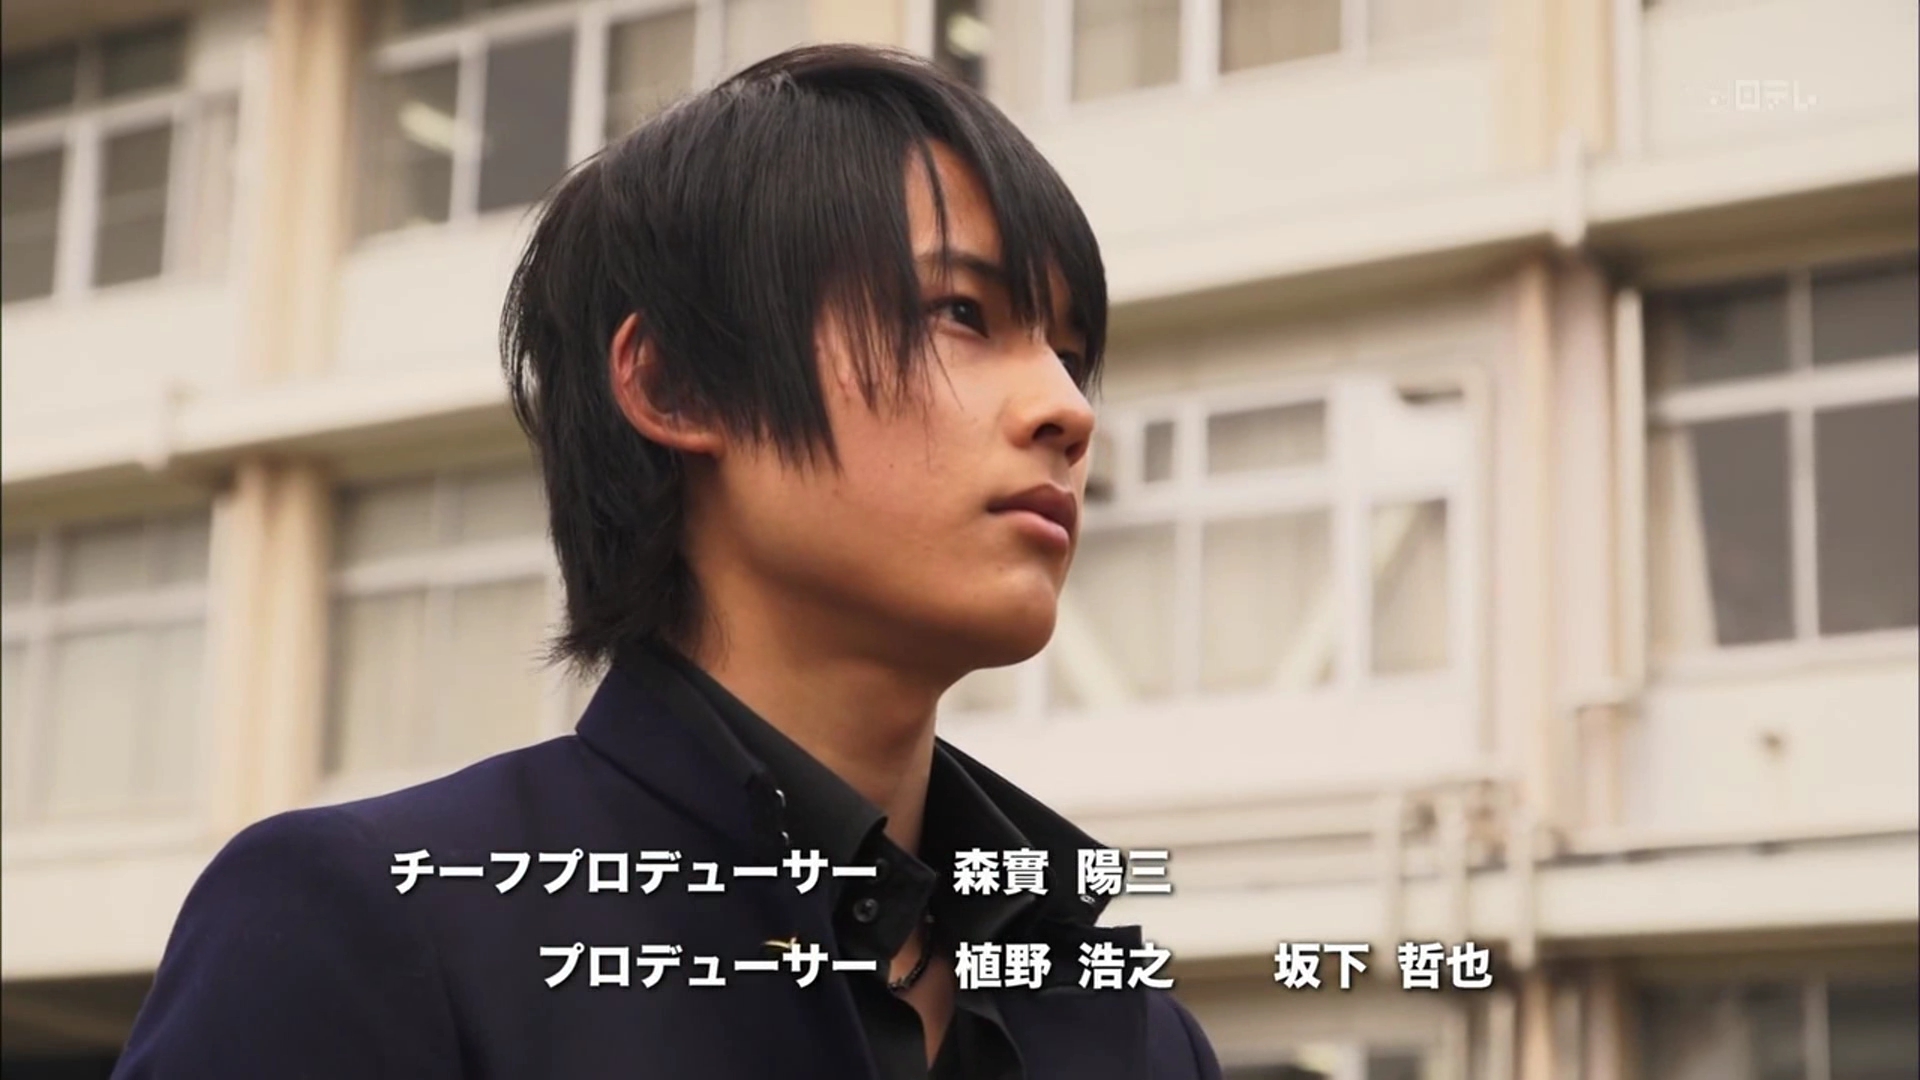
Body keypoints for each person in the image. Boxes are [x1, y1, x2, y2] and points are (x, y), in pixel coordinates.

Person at [114, 43, 1223, 1080]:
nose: (1066, 411)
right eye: (961, 313)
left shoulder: (1136, 1030)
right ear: (674, 384)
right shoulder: (372, 922)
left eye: (1069, 353)